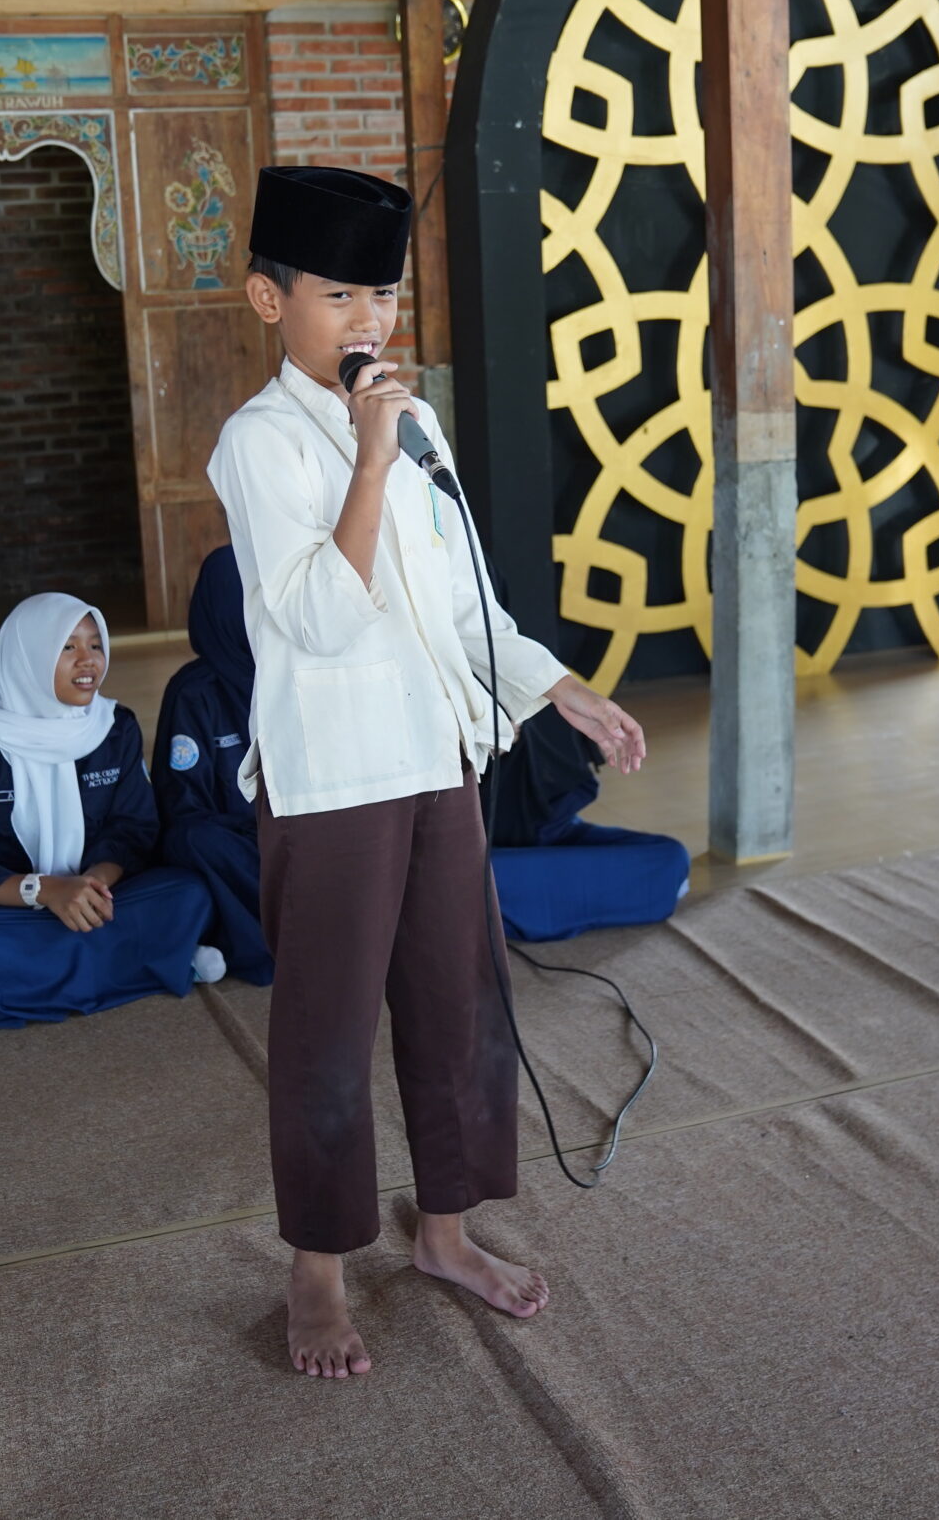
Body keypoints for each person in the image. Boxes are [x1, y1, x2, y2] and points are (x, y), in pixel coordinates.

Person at [209, 164, 648, 1380]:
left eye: (384, 296)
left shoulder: (416, 426)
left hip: (435, 759)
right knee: (328, 1027)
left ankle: (445, 1233)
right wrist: (367, 459)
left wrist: (561, 689)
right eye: (340, 296)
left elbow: (464, 606)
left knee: (461, 1004)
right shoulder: (258, 445)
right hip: (332, 778)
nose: (369, 322)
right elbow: (318, 619)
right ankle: (316, 1267)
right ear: (267, 300)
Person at [0, 593, 218, 1026]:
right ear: (28, 657)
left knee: (190, 893)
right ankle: (151, 964)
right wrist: (48, 891)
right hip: (13, 909)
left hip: (99, 901)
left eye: (95, 645)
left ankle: (8, 987)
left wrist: (93, 885)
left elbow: (134, 828)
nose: (88, 660)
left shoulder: (114, 728)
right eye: (68, 647)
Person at [151, 546, 272, 984]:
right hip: (233, 840)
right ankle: (271, 942)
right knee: (195, 841)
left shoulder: (290, 675)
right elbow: (183, 806)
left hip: (290, 833)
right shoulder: (195, 691)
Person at [485, 704, 692, 942]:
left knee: (670, 857)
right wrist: (477, 743)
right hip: (482, 846)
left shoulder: (548, 690)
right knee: (477, 880)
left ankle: (527, 895)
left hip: (550, 827)